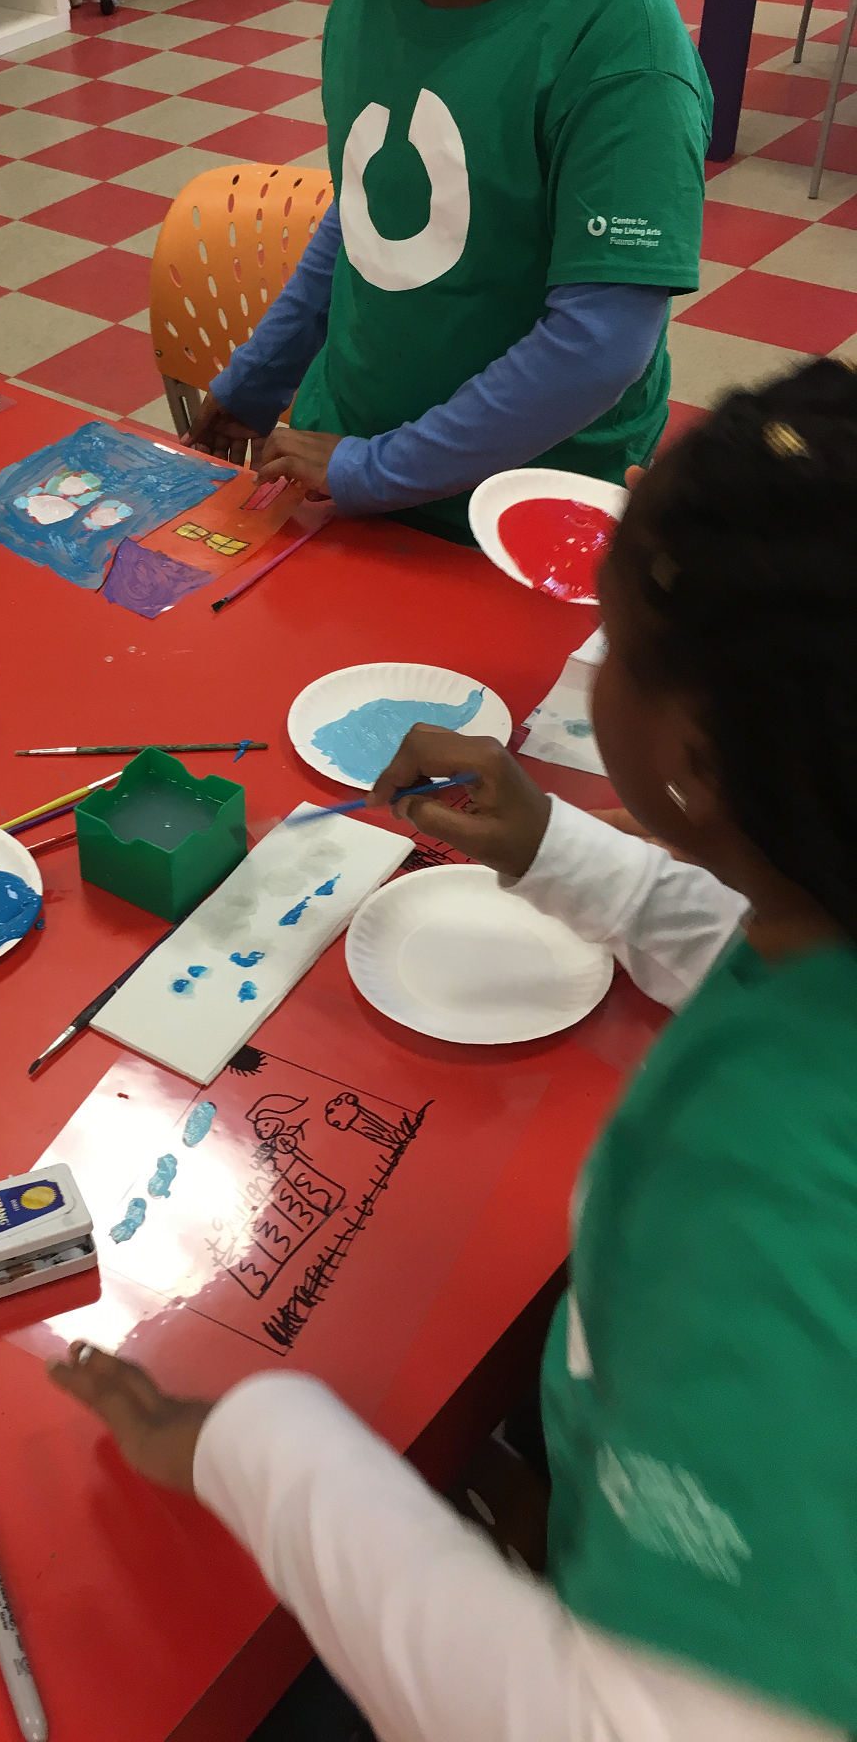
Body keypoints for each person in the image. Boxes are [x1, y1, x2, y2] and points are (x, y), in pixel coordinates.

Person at [51, 359, 857, 1740]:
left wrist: (254, 1449)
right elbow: (749, 934)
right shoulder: (817, 922)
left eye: (603, 637)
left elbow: (615, 1721)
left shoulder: (758, 1195)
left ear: (698, 757)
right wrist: (556, 847)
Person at [187, 0, 719, 543]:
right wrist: (264, 374)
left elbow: (601, 339)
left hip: (527, 515)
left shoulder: (622, 40)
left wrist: (382, 468)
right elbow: (367, 214)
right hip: (346, 473)